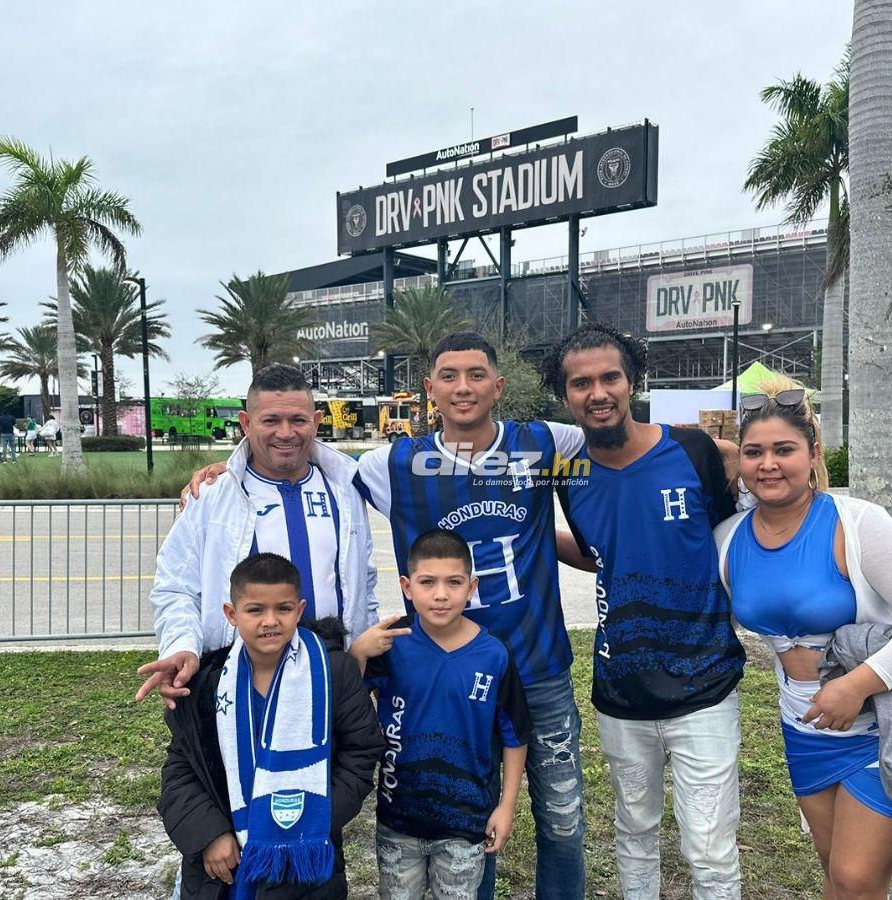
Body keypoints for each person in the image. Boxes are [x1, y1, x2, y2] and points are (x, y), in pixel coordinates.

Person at [187, 334, 590, 900]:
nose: (463, 387)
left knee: (563, 819)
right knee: (467, 809)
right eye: (448, 376)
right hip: (442, 671)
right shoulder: (392, 464)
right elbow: (306, 454)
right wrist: (228, 468)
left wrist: (717, 450)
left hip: (536, 661)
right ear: (429, 390)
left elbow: (618, 443)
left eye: (477, 375)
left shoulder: (550, 441)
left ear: (499, 386)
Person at [714, 379, 892, 898]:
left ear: (814, 453)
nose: (768, 465)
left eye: (785, 450)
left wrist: (856, 687)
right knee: (835, 872)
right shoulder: (729, 538)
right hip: (802, 726)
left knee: (855, 878)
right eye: (754, 452)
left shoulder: (859, 523)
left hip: (879, 725)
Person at [543, 323, 745, 900]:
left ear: (633, 382)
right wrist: (535, 537)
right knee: (634, 831)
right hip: (621, 689)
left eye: (610, 377)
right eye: (581, 383)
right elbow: (597, 550)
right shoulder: (568, 472)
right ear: (567, 396)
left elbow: (734, 523)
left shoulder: (694, 452)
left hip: (705, 685)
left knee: (708, 846)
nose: (597, 392)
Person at [138, 363, 381, 709]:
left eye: (297, 420)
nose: (285, 433)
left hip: (333, 678)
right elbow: (175, 586)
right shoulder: (211, 496)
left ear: (315, 420)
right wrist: (181, 646)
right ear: (246, 424)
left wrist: (367, 661)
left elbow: (364, 584)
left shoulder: (346, 488)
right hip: (241, 683)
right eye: (270, 421)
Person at [158, 552, 383, 899]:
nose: (270, 621)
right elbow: (182, 767)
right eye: (255, 610)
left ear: (299, 608)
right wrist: (208, 835)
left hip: (305, 863)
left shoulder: (333, 673)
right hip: (226, 868)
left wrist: (314, 817)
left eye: (283, 608)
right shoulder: (209, 683)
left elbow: (362, 752)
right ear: (232, 614)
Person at [351, 529, 531, 900]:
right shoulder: (389, 644)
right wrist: (357, 654)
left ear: (471, 587)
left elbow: (516, 735)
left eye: (453, 582)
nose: (440, 594)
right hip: (398, 818)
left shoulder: (494, 655)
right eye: (427, 582)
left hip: (465, 822)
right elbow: (345, 704)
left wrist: (507, 805)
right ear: (406, 585)